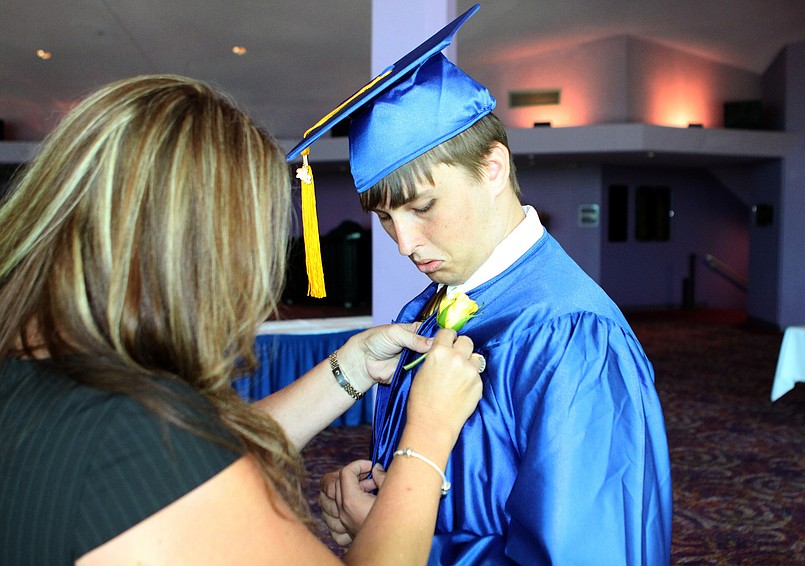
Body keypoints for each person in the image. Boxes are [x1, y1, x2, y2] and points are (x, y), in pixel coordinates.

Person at [0, 74, 484, 565]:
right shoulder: (135, 444)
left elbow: (220, 443)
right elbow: (179, 458)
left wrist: (352, 367)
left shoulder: (37, 371)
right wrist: (426, 438)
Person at [287, 5, 673, 564]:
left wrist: (405, 541)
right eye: (388, 218)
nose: (404, 243)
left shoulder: (570, 336)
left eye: (422, 207)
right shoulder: (432, 305)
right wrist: (382, 506)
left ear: (492, 168)